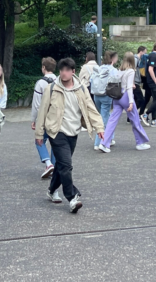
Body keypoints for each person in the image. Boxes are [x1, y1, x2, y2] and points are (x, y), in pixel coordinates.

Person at [34, 57, 104, 213]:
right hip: (56, 131)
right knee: (66, 165)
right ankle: (72, 198)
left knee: (61, 165)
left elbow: (91, 108)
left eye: (67, 70)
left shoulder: (81, 89)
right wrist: (39, 134)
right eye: (61, 70)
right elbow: (42, 111)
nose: (64, 73)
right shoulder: (52, 88)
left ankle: (51, 190)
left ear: (73, 72)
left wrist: (99, 127)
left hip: (73, 132)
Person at [99, 52, 150, 153]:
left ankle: (104, 143)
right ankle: (140, 142)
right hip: (126, 96)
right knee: (135, 119)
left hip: (117, 96)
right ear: (132, 61)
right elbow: (129, 88)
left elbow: (122, 83)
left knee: (112, 121)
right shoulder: (131, 71)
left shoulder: (120, 70)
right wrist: (131, 102)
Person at [30, 57, 58, 179]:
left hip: (44, 117)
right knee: (55, 142)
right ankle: (54, 167)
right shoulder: (59, 81)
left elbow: (36, 104)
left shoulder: (40, 83)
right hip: (57, 117)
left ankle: (48, 163)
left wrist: (34, 119)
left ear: (43, 68)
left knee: (39, 140)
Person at [92, 50, 118, 149]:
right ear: (113, 58)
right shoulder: (113, 70)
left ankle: (110, 138)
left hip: (96, 94)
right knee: (104, 119)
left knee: (103, 116)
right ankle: (99, 142)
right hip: (106, 95)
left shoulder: (98, 68)